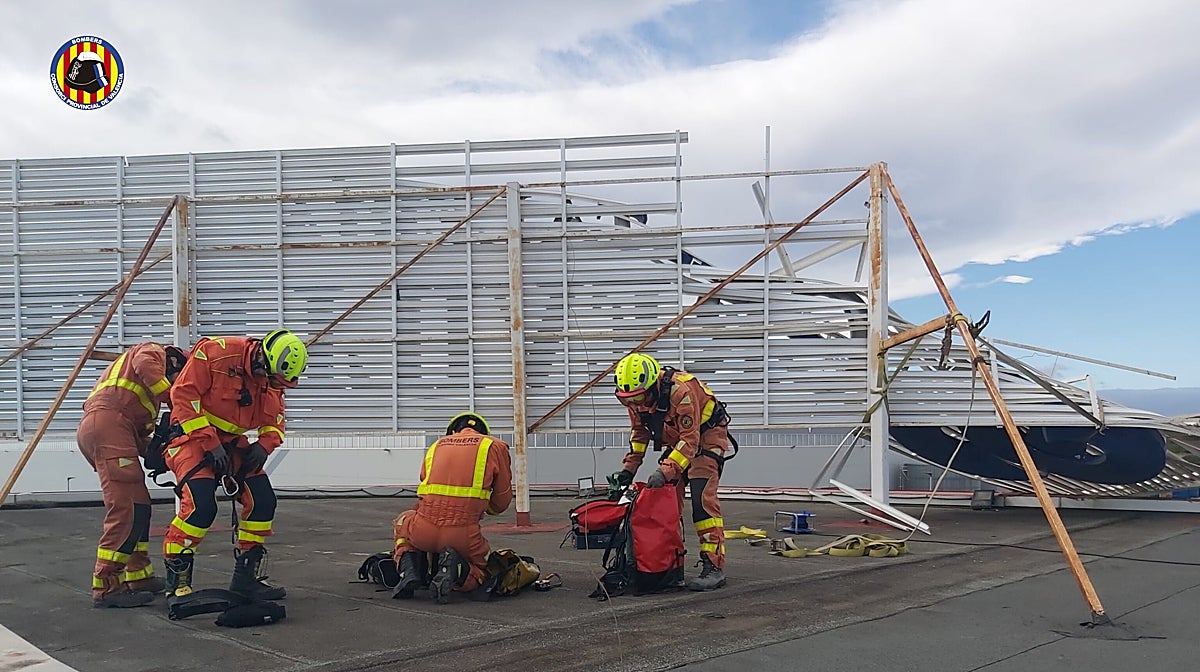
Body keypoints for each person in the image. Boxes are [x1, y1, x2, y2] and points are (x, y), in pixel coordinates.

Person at [160, 329, 308, 603]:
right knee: (201, 507)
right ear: (262, 359)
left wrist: (264, 445)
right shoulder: (216, 353)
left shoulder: (271, 378)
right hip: (191, 437)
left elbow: (275, 419)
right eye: (271, 379)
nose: (271, 385)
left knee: (262, 501)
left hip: (231, 443)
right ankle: (178, 584)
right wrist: (209, 442)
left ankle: (246, 580)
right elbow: (182, 396)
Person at [77, 341, 188, 608]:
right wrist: (177, 400)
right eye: (179, 378)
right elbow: (144, 362)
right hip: (107, 427)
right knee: (127, 507)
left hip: (110, 428)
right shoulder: (153, 351)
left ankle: (139, 576)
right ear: (174, 362)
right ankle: (106, 585)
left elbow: (136, 436)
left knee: (140, 506)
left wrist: (160, 453)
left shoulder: (136, 395)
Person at [609, 352, 732, 591]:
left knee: (702, 502)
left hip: (706, 437)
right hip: (680, 441)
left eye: (639, 397)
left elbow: (691, 441)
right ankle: (669, 566)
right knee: (665, 502)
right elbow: (639, 434)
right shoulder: (637, 400)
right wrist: (628, 469)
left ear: (653, 386)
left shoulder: (680, 393)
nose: (635, 405)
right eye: (627, 400)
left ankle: (714, 566)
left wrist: (665, 470)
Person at [391, 412, 513, 603]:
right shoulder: (494, 446)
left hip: (423, 531)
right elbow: (501, 502)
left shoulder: (436, 445)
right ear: (483, 432)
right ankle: (459, 570)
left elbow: (424, 486)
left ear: (453, 431)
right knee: (483, 571)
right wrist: (482, 506)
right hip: (464, 536)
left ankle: (409, 568)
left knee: (403, 522)